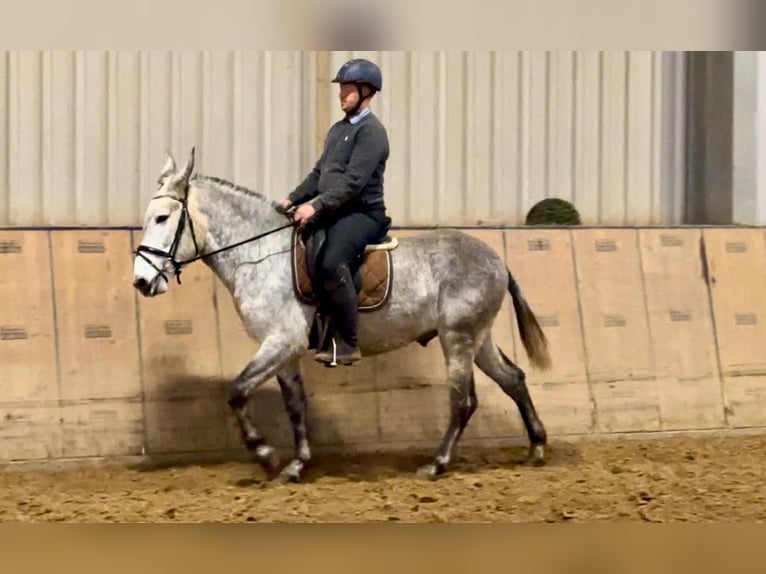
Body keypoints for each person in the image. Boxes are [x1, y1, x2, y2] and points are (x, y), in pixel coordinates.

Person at [278, 58, 391, 366]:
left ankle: (349, 342)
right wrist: (292, 198)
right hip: (335, 211)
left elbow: (353, 183)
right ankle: (318, 327)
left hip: (362, 215)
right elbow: (319, 174)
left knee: (330, 261)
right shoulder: (337, 130)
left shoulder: (372, 133)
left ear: (366, 91)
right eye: (341, 89)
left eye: (347, 89)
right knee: (305, 245)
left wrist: (314, 205)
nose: (341, 95)